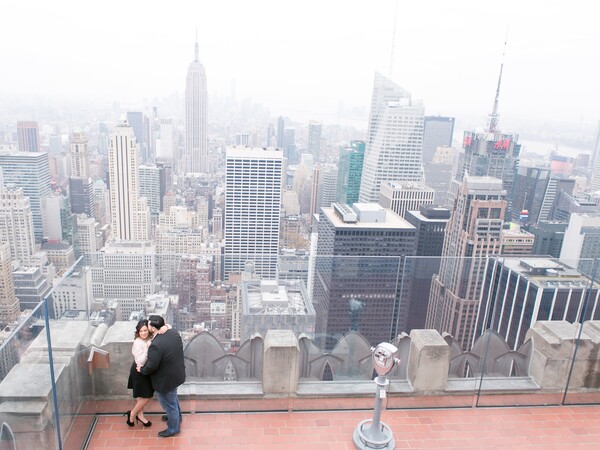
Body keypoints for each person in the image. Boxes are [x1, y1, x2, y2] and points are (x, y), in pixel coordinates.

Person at [139, 315, 186, 438]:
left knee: (169, 405)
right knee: (173, 399)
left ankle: (173, 428)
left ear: (153, 328)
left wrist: (141, 370)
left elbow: (151, 366)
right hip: (176, 374)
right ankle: (177, 417)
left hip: (165, 380)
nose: (147, 326)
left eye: (148, 325)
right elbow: (169, 327)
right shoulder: (173, 332)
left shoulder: (156, 344)